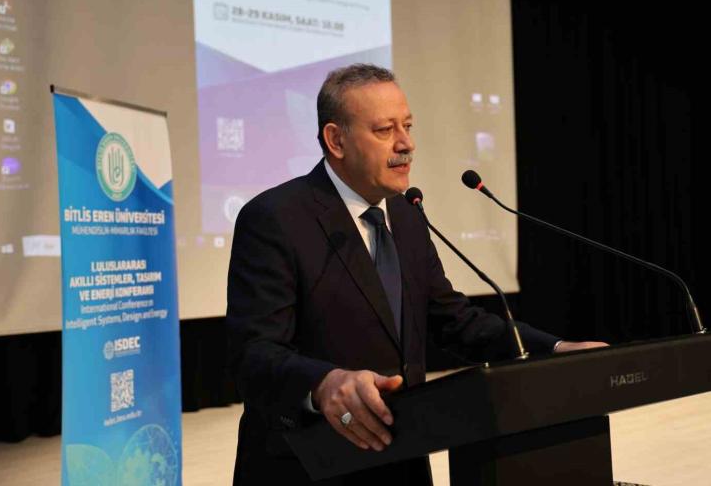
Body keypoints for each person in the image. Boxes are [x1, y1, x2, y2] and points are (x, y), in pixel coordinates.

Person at [226, 64, 606, 485]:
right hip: (306, 467)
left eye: (407, 126)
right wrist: (322, 383)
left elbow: (454, 321)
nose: (406, 143)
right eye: (385, 129)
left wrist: (553, 349)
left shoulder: (406, 214)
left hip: (400, 459)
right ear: (336, 140)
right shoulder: (276, 217)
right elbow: (253, 353)